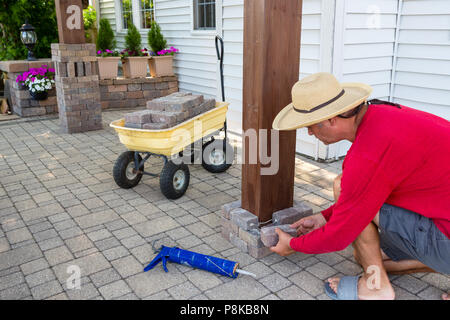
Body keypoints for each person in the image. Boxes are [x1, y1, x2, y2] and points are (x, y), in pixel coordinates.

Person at [270, 72, 450, 300]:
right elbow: (369, 191)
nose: (309, 133)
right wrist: (323, 218)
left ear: (331, 120)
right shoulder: (385, 114)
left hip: (446, 237)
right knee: (365, 255)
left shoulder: (368, 154)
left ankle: (376, 287)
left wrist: (293, 244)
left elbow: (340, 235)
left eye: (311, 126)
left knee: (341, 185)